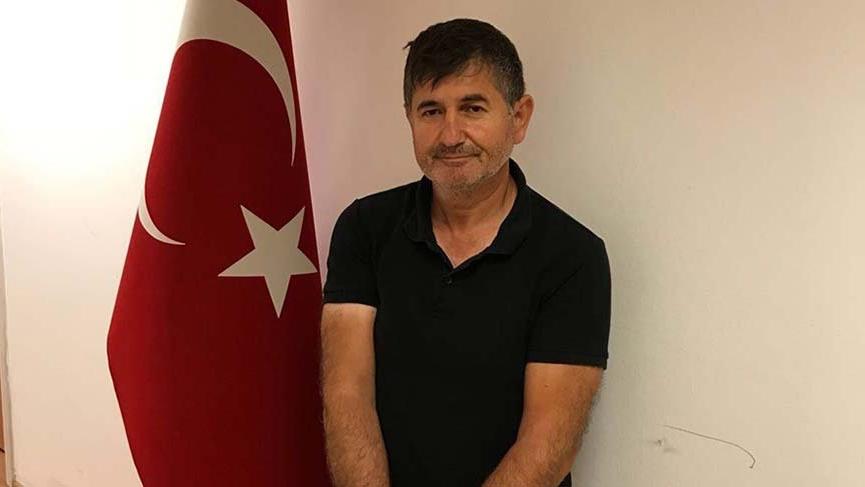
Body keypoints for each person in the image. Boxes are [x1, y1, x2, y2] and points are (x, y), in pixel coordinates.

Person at [319, 18, 611, 487]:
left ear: (519, 118)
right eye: (431, 111)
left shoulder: (573, 256)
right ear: (409, 118)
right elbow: (347, 395)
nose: (450, 135)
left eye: (472, 108)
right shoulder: (363, 229)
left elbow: (548, 444)